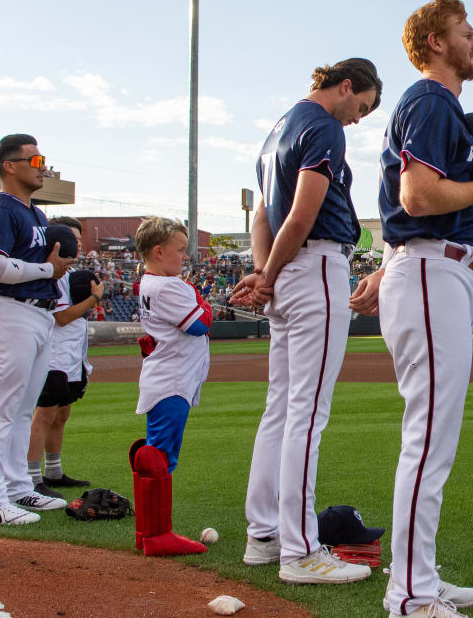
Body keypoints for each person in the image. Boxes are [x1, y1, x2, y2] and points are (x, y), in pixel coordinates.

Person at [350, 0, 473, 618]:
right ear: (437, 42)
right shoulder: (432, 98)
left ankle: (423, 578)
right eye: (466, 31)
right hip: (433, 269)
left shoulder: (436, 105)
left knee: (432, 438)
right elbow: (416, 197)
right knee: (428, 440)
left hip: (433, 270)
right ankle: (409, 595)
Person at [230, 58, 382, 584]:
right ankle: (299, 552)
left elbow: (263, 218)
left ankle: (264, 536)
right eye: (360, 106)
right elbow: (301, 214)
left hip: (287, 270)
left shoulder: (277, 130)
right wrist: (269, 274)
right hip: (314, 265)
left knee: (280, 409)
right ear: (345, 86)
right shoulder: (322, 127)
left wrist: (263, 272)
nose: (358, 119)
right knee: (306, 414)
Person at [0, 133, 76, 525]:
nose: (42, 165)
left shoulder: (34, 213)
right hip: (11, 312)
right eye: (34, 159)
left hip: (35, 313)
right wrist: (47, 270)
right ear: (9, 166)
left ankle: (15, 488)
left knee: (21, 409)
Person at [130, 216, 212, 556]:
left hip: (167, 377)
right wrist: (201, 300)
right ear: (159, 251)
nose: (184, 257)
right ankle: (156, 534)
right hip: (172, 380)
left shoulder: (152, 283)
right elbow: (199, 324)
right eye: (179, 250)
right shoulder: (168, 286)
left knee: (157, 454)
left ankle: (148, 531)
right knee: (159, 457)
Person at [27, 217, 104, 498]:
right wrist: (94, 299)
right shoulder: (53, 275)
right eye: (73, 237)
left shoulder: (71, 275)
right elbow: (60, 318)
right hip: (52, 355)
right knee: (44, 414)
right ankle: (32, 478)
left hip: (71, 357)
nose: (78, 244)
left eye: (80, 239)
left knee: (62, 413)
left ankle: (54, 472)